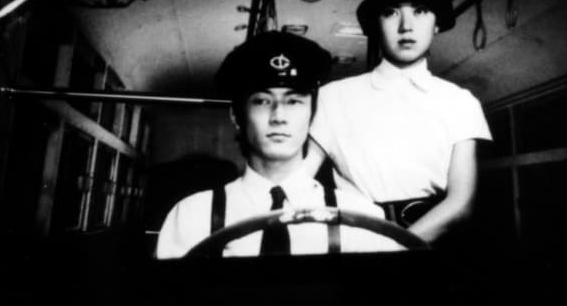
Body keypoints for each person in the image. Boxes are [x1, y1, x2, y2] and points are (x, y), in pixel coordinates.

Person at [156, 31, 402, 258]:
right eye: (262, 101)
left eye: (294, 101)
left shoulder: (359, 218)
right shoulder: (192, 216)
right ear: (236, 117)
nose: (278, 116)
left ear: (313, 115)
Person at [308, 0, 492, 245]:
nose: (407, 26)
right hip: (356, 244)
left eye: (420, 11)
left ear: (436, 24)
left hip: (434, 247)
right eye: (391, 12)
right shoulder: (332, 98)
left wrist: (396, 248)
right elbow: (298, 182)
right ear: (375, 24)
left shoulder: (460, 102)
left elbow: (460, 203)